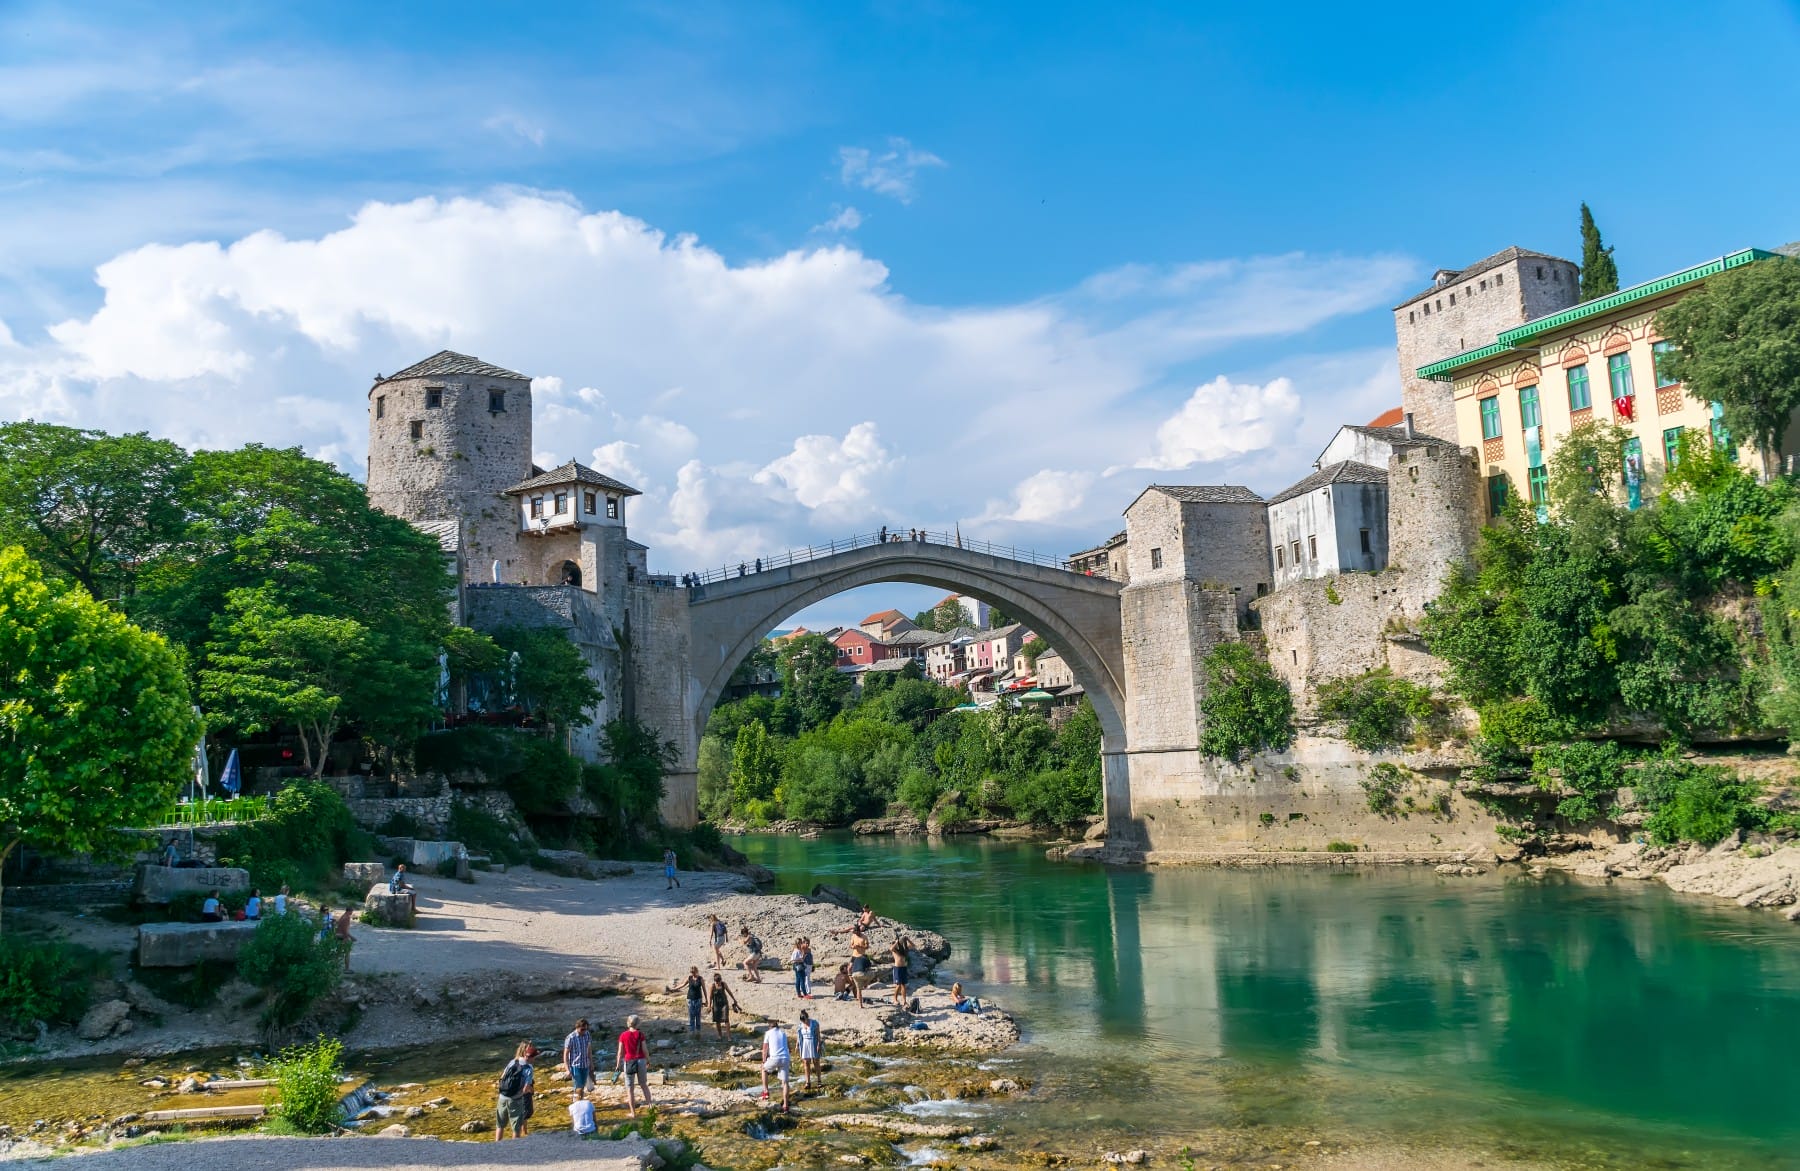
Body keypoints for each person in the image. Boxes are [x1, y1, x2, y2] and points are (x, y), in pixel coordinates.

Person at [494, 1041, 535, 1140]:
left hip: (503, 1097)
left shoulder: (512, 1062)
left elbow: (502, 1077)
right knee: (516, 1128)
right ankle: (514, 1150)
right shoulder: (529, 1068)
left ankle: (497, 1146)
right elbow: (526, 1088)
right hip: (515, 1099)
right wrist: (529, 1091)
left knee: (500, 1125)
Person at [616, 1014, 653, 1118]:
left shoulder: (623, 1035)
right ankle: (650, 1107)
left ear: (628, 1023)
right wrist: (648, 1060)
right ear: (638, 1023)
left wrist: (618, 1064)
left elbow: (620, 1052)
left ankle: (633, 1113)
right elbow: (645, 1049)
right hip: (640, 1061)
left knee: (630, 1089)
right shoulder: (640, 1034)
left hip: (628, 1062)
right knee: (644, 1085)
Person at [760, 1019, 791, 1112]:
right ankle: (785, 1105)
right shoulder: (783, 1033)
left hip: (775, 1058)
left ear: (769, 1026)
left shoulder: (768, 1033)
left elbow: (765, 1049)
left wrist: (763, 1061)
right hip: (785, 1058)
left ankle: (766, 1092)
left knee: (763, 1069)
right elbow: (789, 1047)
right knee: (785, 1082)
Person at [563, 1018, 594, 1102]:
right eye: (582, 1029)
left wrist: (591, 1063)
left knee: (582, 1086)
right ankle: (576, 1104)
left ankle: (581, 1102)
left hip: (585, 1064)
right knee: (577, 1086)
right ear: (577, 1027)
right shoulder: (570, 1038)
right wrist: (567, 1069)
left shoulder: (587, 1034)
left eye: (586, 1029)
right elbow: (565, 1054)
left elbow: (589, 1049)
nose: (584, 1031)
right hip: (575, 1066)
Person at [709, 972, 741, 1040]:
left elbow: (729, 992)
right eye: (717, 982)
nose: (718, 983)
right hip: (716, 1005)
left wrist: (734, 1000)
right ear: (714, 981)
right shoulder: (712, 986)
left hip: (724, 1004)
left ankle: (729, 1037)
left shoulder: (724, 984)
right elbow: (710, 997)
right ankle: (720, 1036)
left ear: (721, 980)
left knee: (726, 1020)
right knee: (717, 1021)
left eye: (719, 981)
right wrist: (709, 1005)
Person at [798, 1009, 822, 1091]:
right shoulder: (800, 1024)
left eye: (805, 1021)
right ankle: (808, 1082)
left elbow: (818, 1034)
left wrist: (819, 1044)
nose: (804, 1023)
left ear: (807, 1018)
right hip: (805, 1043)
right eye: (803, 1021)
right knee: (806, 1062)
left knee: (816, 1062)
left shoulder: (814, 1023)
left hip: (813, 1042)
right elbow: (799, 1035)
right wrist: (797, 1044)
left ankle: (819, 1081)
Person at [847, 925, 870, 1008]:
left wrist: (860, 946)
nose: (855, 933)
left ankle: (863, 983)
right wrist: (853, 946)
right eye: (854, 932)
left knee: (863, 970)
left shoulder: (864, 937)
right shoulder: (853, 936)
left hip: (861, 956)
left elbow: (867, 946)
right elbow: (851, 945)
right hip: (854, 955)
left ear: (859, 931)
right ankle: (852, 979)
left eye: (856, 932)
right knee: (849, 968)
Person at [684, 966, 706, 1032]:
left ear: (696, 971)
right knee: (691, 1015)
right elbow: (683, 984)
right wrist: (674, 989)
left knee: (698, 1015)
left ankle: (698, 1031)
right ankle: (692, 1031)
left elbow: (704, 989)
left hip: (698, 999)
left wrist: (707, 1000)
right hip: (690, 999)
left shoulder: (700, 978)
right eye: (691, 972)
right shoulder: (689, 978)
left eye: (693, 972)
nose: (692, 973)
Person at [891, 937, 911, 1008]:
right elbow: (891, 948)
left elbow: (913, 946)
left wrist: (908, 940)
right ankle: (895, 999)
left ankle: (904, 1001)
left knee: (903, 985)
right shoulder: (895, 950)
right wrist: (896, 942)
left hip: (904, 968)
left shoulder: (904, 950)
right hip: (897, 968)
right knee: (898, 985)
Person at [335, 905, 355, 971]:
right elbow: (345, 930)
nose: (352, 913)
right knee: (347, 953)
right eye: (352, 911)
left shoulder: (342, 916)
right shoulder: (347, 918)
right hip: (342, 936)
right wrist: (351, 937)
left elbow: (338, 925)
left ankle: (335, 966)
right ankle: (347, 969)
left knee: (339, 952)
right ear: (349, 911)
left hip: (337, 935)